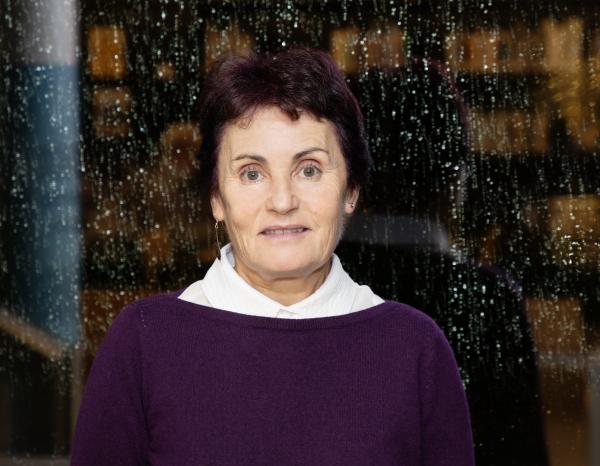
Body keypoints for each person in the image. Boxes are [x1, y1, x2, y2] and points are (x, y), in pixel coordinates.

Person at [70, 47, 475, 466]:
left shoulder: (415, 348)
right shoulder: (144, 342)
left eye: (309, 169)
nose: (282, 201)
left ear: (351, 190)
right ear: (216, 198)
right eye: (252, 173)